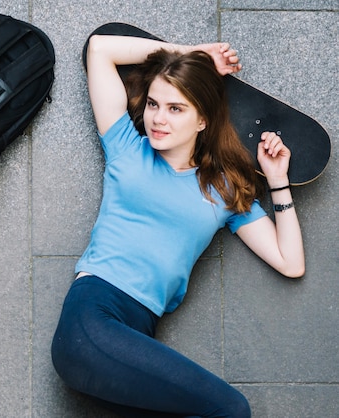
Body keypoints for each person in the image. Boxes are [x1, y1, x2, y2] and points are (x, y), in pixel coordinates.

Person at [50, 31, 305, 418]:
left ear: (203, 119)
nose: (157, 118)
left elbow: (291, 262)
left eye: (175, 109)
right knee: (231, 409)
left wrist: (277, 181)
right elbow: (99, 49)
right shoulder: (126, 145)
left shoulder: (224, 190)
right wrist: (193, 55)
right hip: (92, 318)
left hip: (136, 337)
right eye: (153, 104)